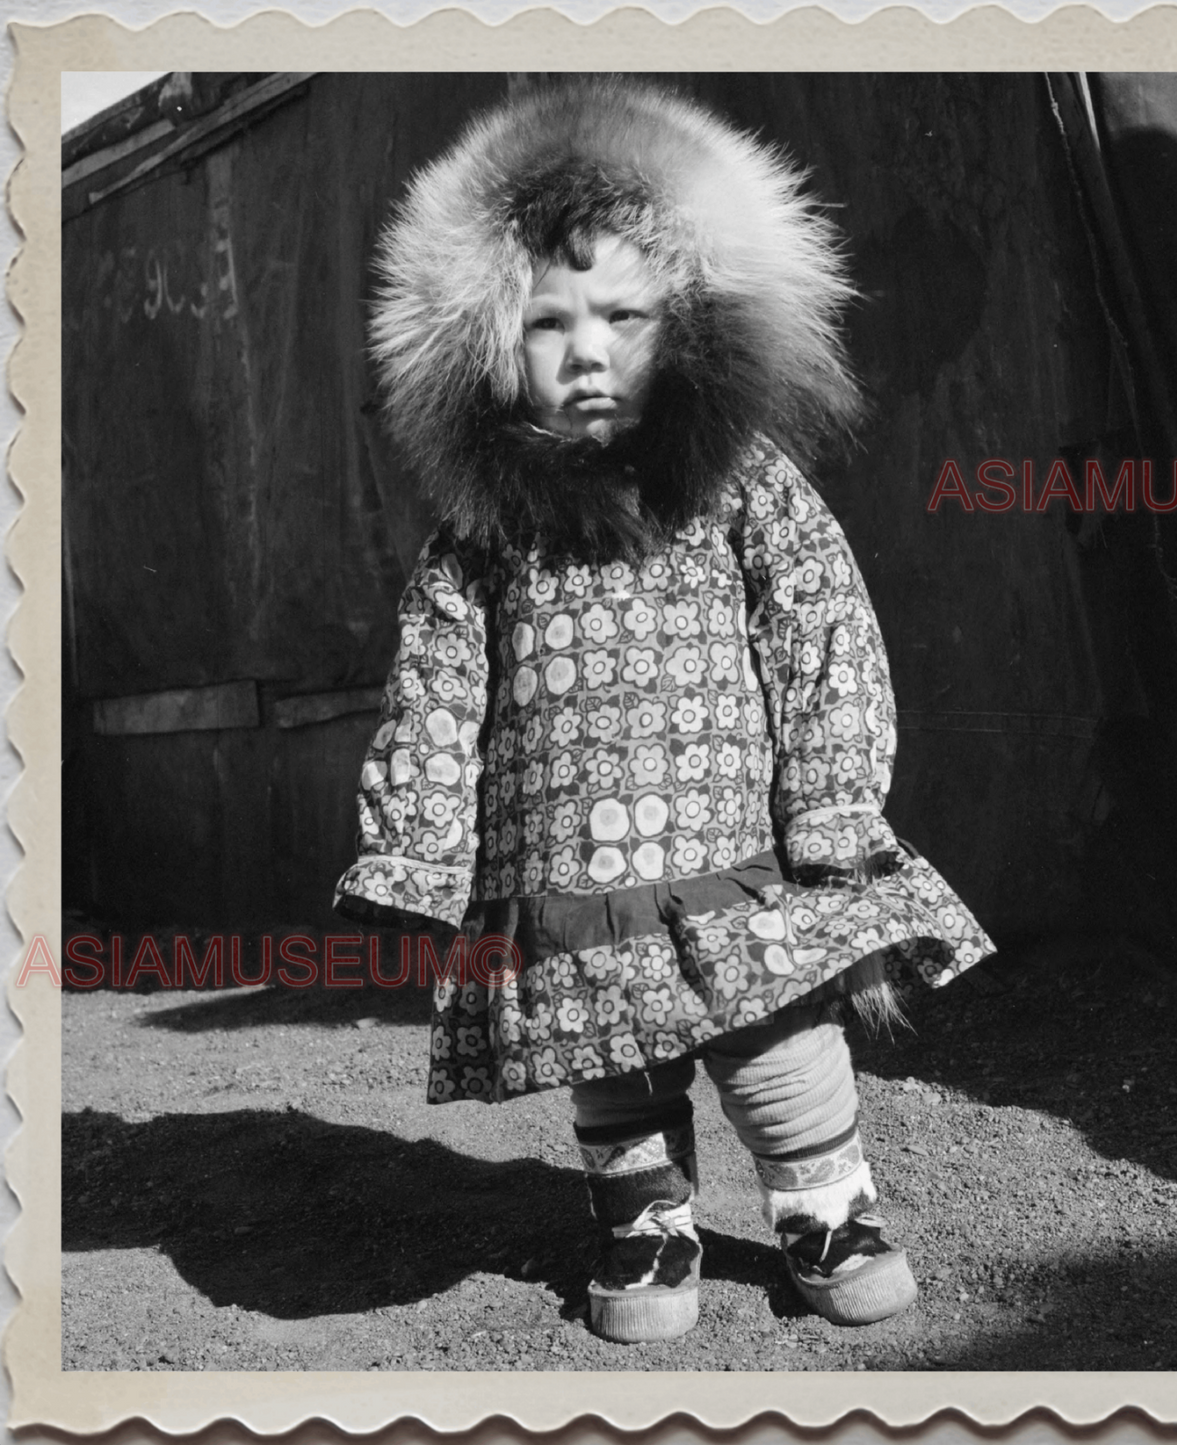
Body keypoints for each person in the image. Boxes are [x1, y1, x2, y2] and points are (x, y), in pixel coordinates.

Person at [335, 79, 994, 1344]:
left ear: (688, 324)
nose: (586, 348)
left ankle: (827, 1212)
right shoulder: (479, 537)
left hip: (731, 864)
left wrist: (833, 794)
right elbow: (432, 688)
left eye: (625, 314)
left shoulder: (741, 490)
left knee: (776, 1043)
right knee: (611, 1065)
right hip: (561, 878)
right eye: (546, 321)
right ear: (482, 342)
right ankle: (643, 1227)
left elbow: (819, 631)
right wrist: (416, 845)